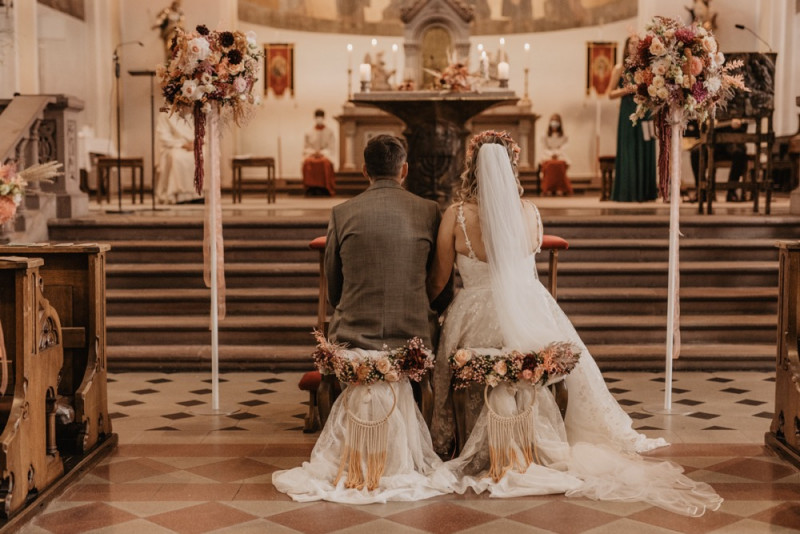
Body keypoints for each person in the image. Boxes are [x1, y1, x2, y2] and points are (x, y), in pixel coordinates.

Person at [426, 130, 722, 516]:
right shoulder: (530, 212)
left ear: (472, 167)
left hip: (473, 312)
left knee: (451, 350)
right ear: (512, 165)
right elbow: (525, 265)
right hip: (529, 306)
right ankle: (536, 435)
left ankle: (459, 440)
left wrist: (435, 313)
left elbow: (438, 280)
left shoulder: (455, 216)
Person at [272, 135, 451, 503]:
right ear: (405, 169)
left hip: (352, 329)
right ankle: (423, 443)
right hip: (414, 329)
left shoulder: (342, 212)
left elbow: (333, 286)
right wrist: (424, 308)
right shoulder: (430, 210)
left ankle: (331, 440)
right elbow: (440, 280)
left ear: (364, 170)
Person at [608, 36, 658, 202]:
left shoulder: (648, 67)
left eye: (638, 43)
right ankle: (628, 192)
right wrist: (628, 90)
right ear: (626, 46)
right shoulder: (620, 68)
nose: (635, 46)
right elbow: (610, 93)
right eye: (631, 43)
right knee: (629, 148)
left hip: (645, 111)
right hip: (628, 111)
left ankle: (645, 192)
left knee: (645, 146)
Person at [688, 118, 749, 202]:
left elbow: (746, 121)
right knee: (695, 153)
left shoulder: (740, 105)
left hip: (733, 142)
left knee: (740, 154)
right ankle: (701, 191)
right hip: (714, 142)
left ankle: (731, 191)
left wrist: (739, 122)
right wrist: (707, 121)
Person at [155, 113, 200, 204]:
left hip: (195, 145)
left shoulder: (197, 111)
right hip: (176, 146)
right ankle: (178, 195)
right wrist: (182, 144)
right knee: (177, 158)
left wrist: (196, 143)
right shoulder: (165, 114)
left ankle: (200, 194)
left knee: (204, 155)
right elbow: (164, 136)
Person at [302, 109, 336, 196]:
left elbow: (331, 147)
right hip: (312, 154)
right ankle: (311, 188)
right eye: (317, 117)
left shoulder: (329, 132)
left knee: (324, 163)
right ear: (315, 118)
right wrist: (313, 152)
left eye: (320, 117)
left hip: (324, 155)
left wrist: (321, 153)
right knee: (308, 162)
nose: (319, 119)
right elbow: (306, 147)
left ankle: (324, 188)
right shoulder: (309, 132)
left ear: (323, 118)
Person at [540, 113, 573, 196]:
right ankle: (548, 188)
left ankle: (561, 188)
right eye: (553, 121)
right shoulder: (545, 135)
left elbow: (565, 146)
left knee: (561, 165)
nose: (554, 124)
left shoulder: (564, 135)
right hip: (548, 155)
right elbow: (544, 147)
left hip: (560, 154)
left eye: (556, 121)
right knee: (549, 165)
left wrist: (557, 153)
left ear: (560, 123)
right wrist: (551, 154)